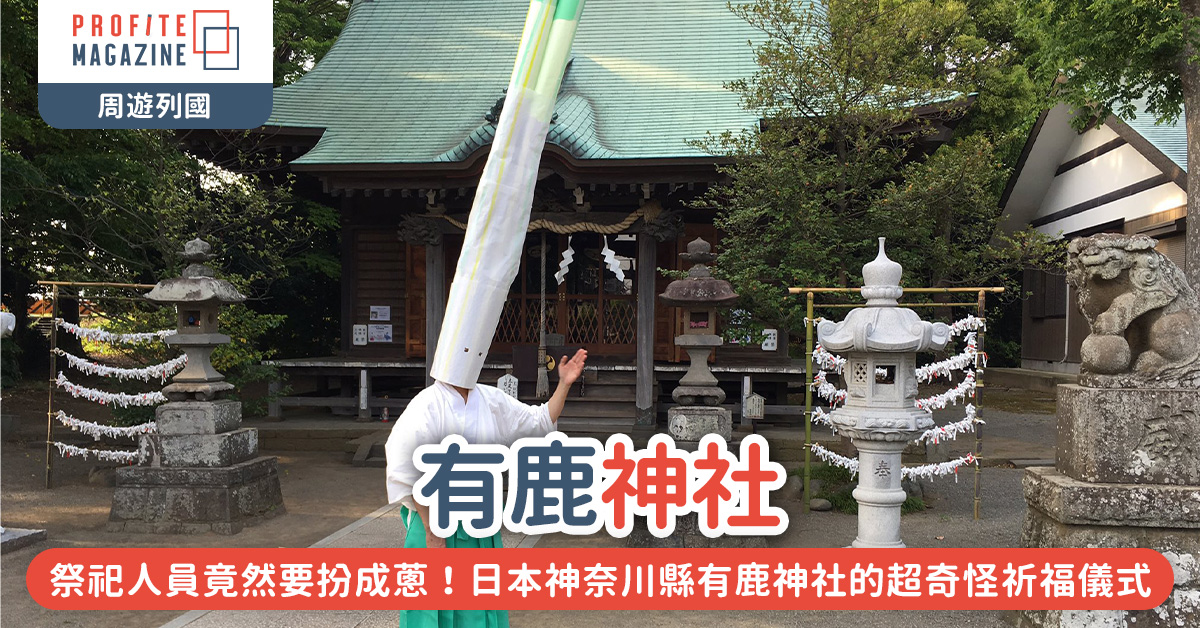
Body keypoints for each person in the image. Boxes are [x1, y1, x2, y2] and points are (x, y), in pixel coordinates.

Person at [384, 348, 588, 628]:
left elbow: (538, 421)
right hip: (434, 522)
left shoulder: (489, 399)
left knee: (481, 610)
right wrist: (433, 534)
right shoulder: (427, 403)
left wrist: (564, 384)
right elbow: (405, 466)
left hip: (480, 524)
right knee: (431, 613)